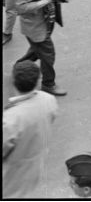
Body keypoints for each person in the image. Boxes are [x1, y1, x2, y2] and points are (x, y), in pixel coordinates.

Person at [14, 0, 71, 96]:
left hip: (49, 19)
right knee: (48, 53)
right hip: (35, 24)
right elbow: (21, 8)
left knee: (37, 48)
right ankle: (48, 84)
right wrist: (46, 0)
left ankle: (19, 67)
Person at [2, 61, 58, 198]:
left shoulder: (10, 120)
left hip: (10, 180)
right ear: (38, 82)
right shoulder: (49, 100)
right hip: (34, 170)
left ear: (13, 82)